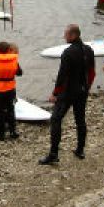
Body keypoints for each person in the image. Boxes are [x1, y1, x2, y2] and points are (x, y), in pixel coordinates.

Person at [39, 24, 95, 165]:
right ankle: (80, 150)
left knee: (56, 119)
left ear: (73, 35)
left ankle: (53, 154)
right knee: (80, 120)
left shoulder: (68, 52)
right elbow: (92, 73)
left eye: (66, 34)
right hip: (82, 91)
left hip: (68, 92)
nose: (64, 36)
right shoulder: (89, 50)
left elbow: (62, 75)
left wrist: (55, 93)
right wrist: (87, 87)